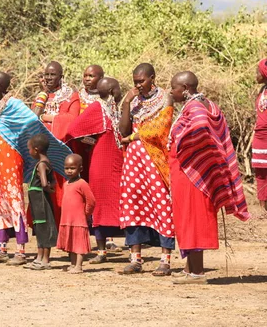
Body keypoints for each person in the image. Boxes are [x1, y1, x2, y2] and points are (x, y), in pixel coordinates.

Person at [169, 72, 250, 284]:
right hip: (193, 171)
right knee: (190, 217)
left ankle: (196, 273)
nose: (171, 91)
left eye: (174, 87)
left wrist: (186, 146)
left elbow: (200, 126)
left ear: (185, 88)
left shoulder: (195, 107)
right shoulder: (206, 103)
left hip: (191, 172)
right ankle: (190, 268)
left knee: (193, 218)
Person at [0, 72, 71, 265]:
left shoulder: (13, 104)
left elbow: (32, 120)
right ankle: (1, 248)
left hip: (9, 158)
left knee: (14, 201)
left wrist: (24, 143)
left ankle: (21, 251)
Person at [118, 63, 175, 275]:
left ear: (152, 78)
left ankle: (165, 261)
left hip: (156, 161)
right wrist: (126, 103)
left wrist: (135, 135)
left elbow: (161, 128)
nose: (138, 85)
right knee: (132, 204)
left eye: (141, 81)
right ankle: (135, 258)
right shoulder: (134, 102)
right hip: (133, 161)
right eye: (135, 82)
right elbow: (122, 130)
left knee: (162, 205)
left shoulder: (165, 98)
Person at [65, 77, 124, 263]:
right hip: (101, 162)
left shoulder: (116, 110)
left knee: (119, 201)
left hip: (118, 161)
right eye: (119, 89)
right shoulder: (97, 108)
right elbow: (74, 130)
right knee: (100, 203)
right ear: (114, 91)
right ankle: (101, 251)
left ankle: (125, 247)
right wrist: (93, 142)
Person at [32, 61, 80, 229]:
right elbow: (33, 117)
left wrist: (47, 118)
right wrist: (44, 94)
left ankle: (64, 228)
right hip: (42, 151)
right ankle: (47, 229)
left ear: (61, 76)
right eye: (47, 74)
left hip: (61, 149)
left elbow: (73, 119)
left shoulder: (71, 95)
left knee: (60, 189)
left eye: (53, 75)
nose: (49, 78)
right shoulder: (41, 95)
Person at [57, 154, 95, 274]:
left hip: (79, 220)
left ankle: (79, 266)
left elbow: (91, 201)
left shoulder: (82, 183)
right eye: (66, 168)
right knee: (71, 244)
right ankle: (73, 264)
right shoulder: (66, 183)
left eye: (72, 168)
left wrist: (86, 214)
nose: (69, 171)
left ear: (80, 169)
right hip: (67, 220)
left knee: (79, 244)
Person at [24, 134, 57, 271]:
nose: (29, 152)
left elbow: (44, 183)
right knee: (40, 227)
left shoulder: (42, 165)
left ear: (36, 150)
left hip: (40, 200)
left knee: (43, 227)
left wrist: (48, 189)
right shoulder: (46, 162)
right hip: (38, 200)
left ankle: (44, 260)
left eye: (29, 149)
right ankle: (40, 258)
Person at [253, 58, 267, 212]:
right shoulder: (262, 91)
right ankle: (263, 207)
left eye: (257, 72)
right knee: (260, 171)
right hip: (260, 137)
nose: (255, 75)